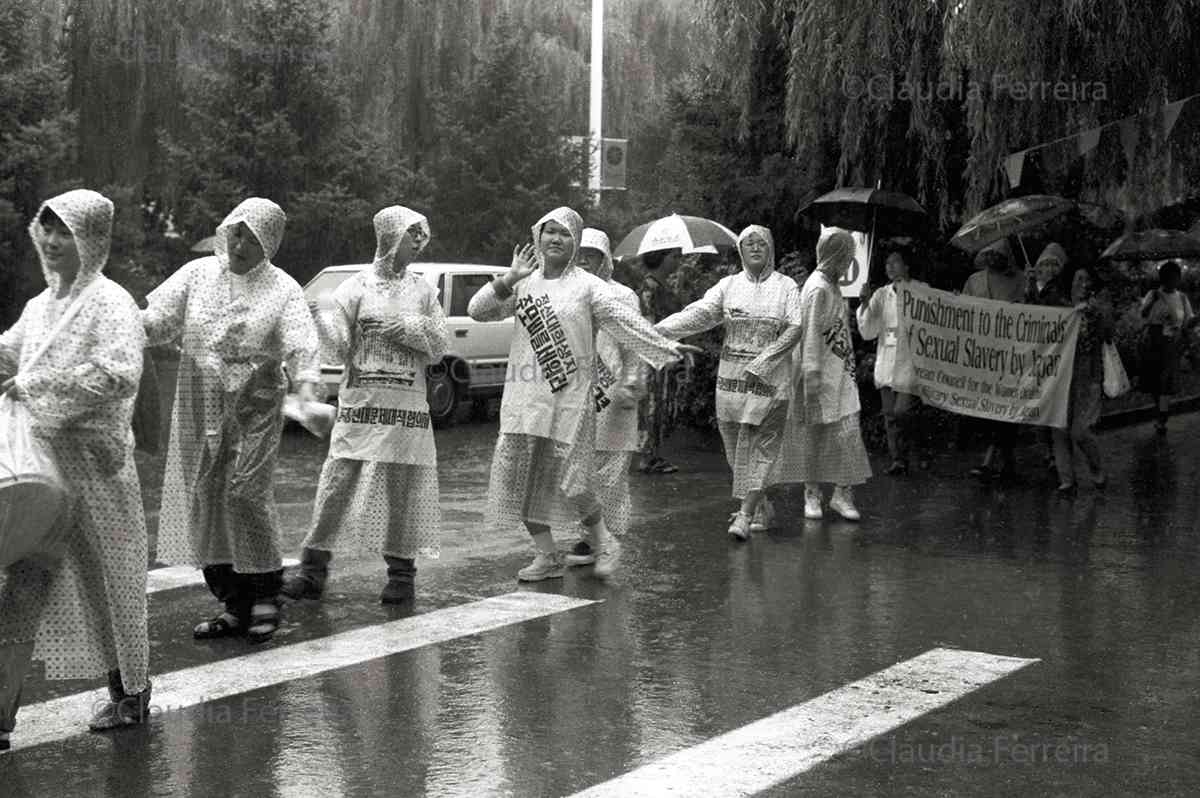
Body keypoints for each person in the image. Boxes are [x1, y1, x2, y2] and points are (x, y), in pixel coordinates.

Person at [468, 207, 696, 581]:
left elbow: (625, 323)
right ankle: (547, 556)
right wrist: (507, 279)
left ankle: (604, 542)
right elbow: (477, 311)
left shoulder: (589, 287)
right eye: (548, 231)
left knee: (573, 483)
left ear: (574, 242)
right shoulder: (524, 282)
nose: (555, 239)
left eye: (564, 233)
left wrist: (665, 347)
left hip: (571, 402)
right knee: (523, 481)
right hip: (524, 400)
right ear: (537, 237)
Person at [0, 189, 151, 747]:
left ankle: (131, 692)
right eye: (47, 228)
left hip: (97, 471)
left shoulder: (112, 303)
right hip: (39, 471)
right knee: (24, 581)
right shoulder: (41, 306)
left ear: (92, 240)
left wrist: (39, 386)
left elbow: (118, 375)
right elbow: (11, 352)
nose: (53, 240)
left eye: (66, 231)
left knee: (110, 584)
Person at [143, 198, 320, 643]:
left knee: (246, 495)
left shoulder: (283, 289)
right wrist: (116, 327)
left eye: (254, 238)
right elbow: (157, 320)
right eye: (237, 233)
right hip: (199, 405)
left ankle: (265, 596)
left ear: (270, 244)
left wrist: (307, 391)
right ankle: (232, 603)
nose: (241, 244)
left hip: (254, 409)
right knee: (206, 496)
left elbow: (302, 345)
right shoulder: (198, 274)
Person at [282, 206, 446, 605]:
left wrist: (407, 328)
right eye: (410, 236)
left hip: (406, 406)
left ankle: (402, 575)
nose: (417, 244)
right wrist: (324, 319)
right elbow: (337, 349)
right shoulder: (354, 288)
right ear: (390, 238)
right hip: (360, 405)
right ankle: (312, 570)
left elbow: (440, 346)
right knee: (336, 485)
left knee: (400, 489)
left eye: (419, 237)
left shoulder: (424, 292)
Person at [654, 225, 801, 539]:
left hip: (771, 384)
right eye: (749, 244)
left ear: (771, 248)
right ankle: (760, 505)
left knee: (763, 448)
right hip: (731, 384)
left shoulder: (785, 286)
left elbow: (795, 326)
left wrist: (764, 361)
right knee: (736, 452)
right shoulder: (729, 286)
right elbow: (700, 313)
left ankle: (745, 515)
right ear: (741, 250)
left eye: (762, 243)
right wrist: (657, 332)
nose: (755, 248)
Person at [769, 226, 872, 521]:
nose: (850, 261)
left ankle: (842, 492)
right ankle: (811, 493)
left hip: (840, 376)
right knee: (814, 436)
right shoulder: (816, 288)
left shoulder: (833, 285)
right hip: (819, 378)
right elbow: (810, 336)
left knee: (848, 433)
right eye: (847, 255)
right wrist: (810, 381)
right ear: (836, 255)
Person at [566, 228, 642, 566]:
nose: (584, 259)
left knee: (611, 469)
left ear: (605, 258)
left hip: (613, 393)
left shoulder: (623, 297)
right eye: (579, 252)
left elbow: (635, 342)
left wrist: (632, 380)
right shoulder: (566, 293)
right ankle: (592, 534)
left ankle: (604, 537)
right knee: (578, 470)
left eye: (592, 254)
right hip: (575, 395)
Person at [856, 249, 930, 475]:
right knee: (890, 415)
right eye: (887, 263)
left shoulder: (922, 290)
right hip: (887, 362)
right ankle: (899, 460)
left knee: (902, 412)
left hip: (911, 363)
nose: (890, 267)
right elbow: (868, 332)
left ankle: (917, 447)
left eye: (895, 262)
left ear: (907, 266)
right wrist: (866, 304)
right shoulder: (880, 294)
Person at [962, 239, 1025, 480]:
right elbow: (962, 309)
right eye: (989, 254)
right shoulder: (974, 281)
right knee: (990, 409)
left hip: (1010, 355)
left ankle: (991, 459)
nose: (993, 259)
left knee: (1006, 407)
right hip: (983, 355)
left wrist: (1031, 288)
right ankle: (1006, 460)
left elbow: (1031, 310)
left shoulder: (1020, 280)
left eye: (998, 255)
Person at [1053, 265, 1112, 494]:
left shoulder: (1097, 308)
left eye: (1087, 279)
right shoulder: (1060, 307)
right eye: (1078, 279)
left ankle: (1096, 468)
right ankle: (1066, 479)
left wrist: (1096, 313)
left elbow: (1108, 336)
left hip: (1086, 375)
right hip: (1059, 375)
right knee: (1058, 427)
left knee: (1080, 431)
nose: (1082, 284)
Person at [635, 249, 683, 474]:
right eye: (674, 256)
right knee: (652, 404)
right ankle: (648, 457)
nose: (678, 261)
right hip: (653, 356)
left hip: (663, 354)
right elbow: (648, 325)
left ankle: (652, 454)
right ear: (661, 258)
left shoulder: (660, 287)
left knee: (658, 404)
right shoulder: (649, 289)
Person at [1025, 243, 1072, 475]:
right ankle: (1048, 451)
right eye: (1045, 264)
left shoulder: (1061, 291)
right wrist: (1029, 285)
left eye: (1054, 265)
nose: (1049, 269)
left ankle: (1057, 453)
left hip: (1056, 355)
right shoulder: (1033, 288)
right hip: (1037, 354)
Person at [1139, 260, 1196, 434]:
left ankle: (1162, 415)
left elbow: (1188, 321)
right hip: (1153, 343)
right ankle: (1160, 411)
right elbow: (1142, 314)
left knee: (1165, 384)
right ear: (1162, 279)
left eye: (1175, 278)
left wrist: (1193, 323)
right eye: (1168, 278)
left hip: (1172, 345)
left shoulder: (1182, 298)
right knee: (1155, 383)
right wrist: (1152, 301)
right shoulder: (1153, 294)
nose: (1172, 281)